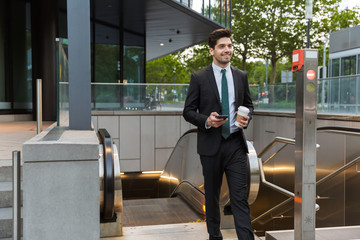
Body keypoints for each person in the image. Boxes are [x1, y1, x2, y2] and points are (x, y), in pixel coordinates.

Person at [183, 28, 254, 240]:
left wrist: (246, 117)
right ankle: (215, 236)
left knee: (239, 198)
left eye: (230, 46)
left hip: (235, 144)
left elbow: (249, 105)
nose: (227, 50)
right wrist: (206, 120)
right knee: (212, 198)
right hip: (210, 146)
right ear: (212, 50)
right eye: (222, 46)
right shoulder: (198, 77)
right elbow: (187, 111)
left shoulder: (241, 76)